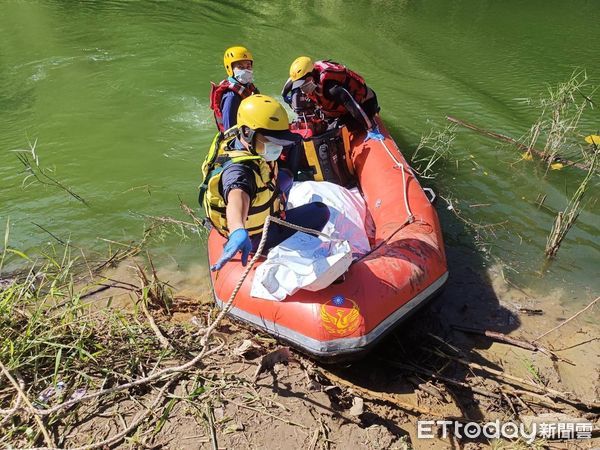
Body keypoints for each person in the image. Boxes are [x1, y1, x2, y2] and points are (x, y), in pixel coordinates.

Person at [199, 94, 330, 271]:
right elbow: (237, 195)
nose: (277, 146)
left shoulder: (236, 142)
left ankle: (276, 212)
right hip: (255, 237)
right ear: (247, 132)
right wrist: (238, 230)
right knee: (320, 212)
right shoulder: (239, 172)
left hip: (259, 215)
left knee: (287, 179)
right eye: (269, 141)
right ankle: (281, 249)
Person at [282, 57, 384, 140]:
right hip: (342, 104)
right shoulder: (306, 75)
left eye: (303, 83)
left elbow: (353, 105)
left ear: (312, 74)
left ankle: (370, 121)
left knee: (338, 129)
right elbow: (291, 81)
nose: (302, 88)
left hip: (364, 103)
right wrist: (284, 95)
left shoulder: (331, 89)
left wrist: (370, 129)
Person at [209, 46, 259, 132]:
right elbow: (229, 130)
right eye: (240, 67)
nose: (246, 70)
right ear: (230, 69)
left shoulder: (248, 87)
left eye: (248, 66)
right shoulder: (231, 97)